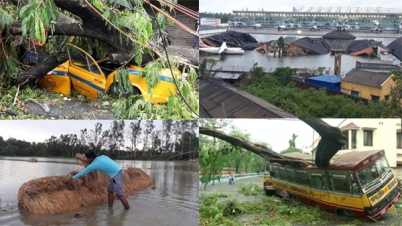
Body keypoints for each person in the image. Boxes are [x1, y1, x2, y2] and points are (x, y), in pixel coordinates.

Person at [64, 151, 130, 209]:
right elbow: (108, 163)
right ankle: (110, 208)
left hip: (117, 175)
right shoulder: (102, 156)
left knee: (119, 195)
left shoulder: (94, 164)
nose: (87, 159)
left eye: (88, 158)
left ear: (91, 158)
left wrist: (71, 178)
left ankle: (127, 209)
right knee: (110, 190)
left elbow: (83, 172)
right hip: (119, 171)